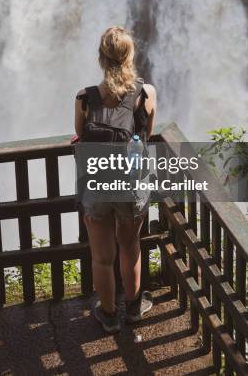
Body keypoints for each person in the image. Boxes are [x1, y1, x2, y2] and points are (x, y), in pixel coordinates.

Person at [74, 26, 157, 334]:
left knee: (101, 257)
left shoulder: (85, 97)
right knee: (130, 246)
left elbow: (81, 135)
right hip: (130, 184)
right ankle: (134, 310)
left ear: (101, 58)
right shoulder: (145, 93)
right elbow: (146, 134)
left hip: (96, 183)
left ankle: (108, 315)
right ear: (130, 56)